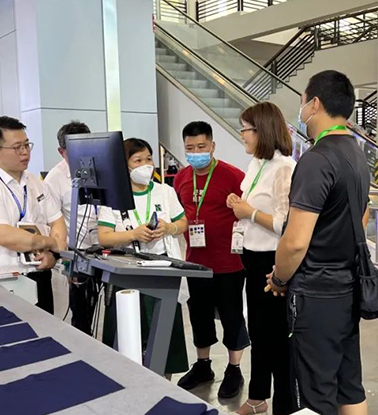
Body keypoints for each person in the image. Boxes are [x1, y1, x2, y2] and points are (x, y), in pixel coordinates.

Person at [267, 70, 370, 415]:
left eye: (302, 102)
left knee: (314, 394)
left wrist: (279, 278)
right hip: (348, 285)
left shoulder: (316, 159)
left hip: (315, 292)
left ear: (314, 104)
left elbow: (296, 242)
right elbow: (363, 216)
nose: (301, 111)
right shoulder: (356, 153)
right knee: (349, 385)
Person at [97, 138, 189, 377]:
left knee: (165, 340)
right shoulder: (113, 196)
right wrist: (133, 234)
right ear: (124, 165)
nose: (145, 165)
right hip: (127, 274)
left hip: (162, 271)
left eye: (149, 159)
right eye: (137, 160)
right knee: (128, 337)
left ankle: (165, 384)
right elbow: (104, 237)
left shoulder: (165, 191)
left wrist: (169, 228)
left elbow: (182, 222)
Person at [226, 102, 296, 415]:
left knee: (277, 337)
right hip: (252, 258)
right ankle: (257, 397)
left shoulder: (284, 168)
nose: (242, 135)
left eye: (246, 129)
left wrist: (249, 212)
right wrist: (240, 205)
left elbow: (286, 223)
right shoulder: (257, 164)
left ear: (262, 130)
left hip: (273, 260)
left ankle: (284, 404)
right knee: (258, 331)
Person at [174, 121, 249, 399]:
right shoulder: (181, 178)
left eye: (201, 146)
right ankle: (203, 365)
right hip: (196, 261)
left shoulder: (234, 176)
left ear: (212, 146)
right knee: (199, 314)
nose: (196, 153)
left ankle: (234, 368)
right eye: (190, 148)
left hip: (229, 262)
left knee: (231, 315)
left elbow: (248, 211)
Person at [0, 116, 67, 314]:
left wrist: (53, 255)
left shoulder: (36, 183)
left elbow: (57, 221)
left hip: (39, 275)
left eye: (27, 145)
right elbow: (6, 236)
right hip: (4, 279)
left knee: (45, 330)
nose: (25, 152)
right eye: (17, 147)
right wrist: (52, 242)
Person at [44, 121, 100, 335]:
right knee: (82, 313)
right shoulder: (54, 179)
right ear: (61, 151)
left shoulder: (102, 168)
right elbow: (53, 223)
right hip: (79, 253)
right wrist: (66, 261)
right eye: (74, 150)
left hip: (108, 245)